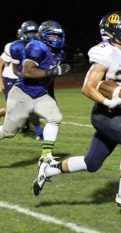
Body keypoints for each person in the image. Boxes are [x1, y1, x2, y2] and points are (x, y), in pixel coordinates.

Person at [33, 11, 121, 210]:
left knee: (92, 163)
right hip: (104, 114)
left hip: (120, 114)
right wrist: (108, 102)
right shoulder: (104, 52)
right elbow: (87, 87)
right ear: (114, 31)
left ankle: (48, 170)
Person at [0, 20, 70, 168]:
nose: (56, 39)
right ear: (44, 36)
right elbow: (27, 71)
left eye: (58, 36)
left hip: (40, 95)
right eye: (52, 36)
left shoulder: (60, 53)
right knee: (8, 132)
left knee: (55, 117)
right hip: (22, 94)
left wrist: (51, 95)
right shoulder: (36, 46)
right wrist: (51, 71)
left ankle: (46, 157)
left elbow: (49, 79)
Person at [0, 21, 44, 140]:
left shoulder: (38, 46)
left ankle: (39, 132)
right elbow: (1, 63)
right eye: (30, 32)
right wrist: (0, 81)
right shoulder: (12, 46)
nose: (32, 35)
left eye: (34, 32)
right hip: (11, 78)